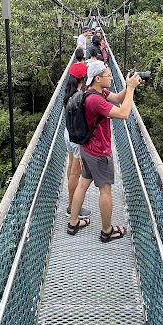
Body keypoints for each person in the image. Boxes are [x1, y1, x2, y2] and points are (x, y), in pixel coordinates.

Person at [67, 60, 142, 242]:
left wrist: (128, 85)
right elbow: (124, 113)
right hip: (99, 152)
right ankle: (107, 231)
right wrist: (131, 89)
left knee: (83, 184)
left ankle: (73, 223)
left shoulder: (92, 91)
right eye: (108, 75)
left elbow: (117, 99)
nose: (110, 77)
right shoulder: (96, 100)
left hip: (86, 149)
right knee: (105, 191)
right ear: (98, 78)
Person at [63, 61, 91, 220]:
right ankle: (73, 207)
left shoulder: (68, 93)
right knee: (76, 173)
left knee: (71, 168)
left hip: (68, 133)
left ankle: (71, 203)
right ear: (83, 78)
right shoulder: (79, 96)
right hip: (76, 138)